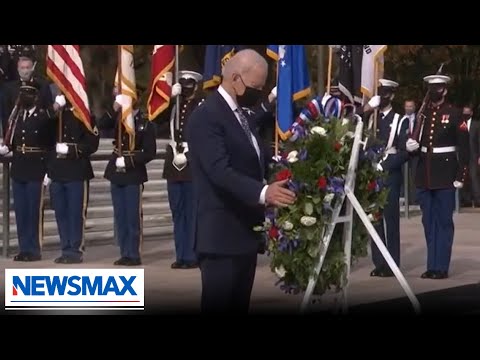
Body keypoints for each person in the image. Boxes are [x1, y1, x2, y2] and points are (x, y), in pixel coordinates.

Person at [187, 49, 296, 313]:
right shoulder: (207, 116)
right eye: (255, 86)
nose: (258, 92)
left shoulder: (242, 116)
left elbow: (258, 159)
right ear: (235, 78)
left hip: (244, 235)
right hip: (221, 238)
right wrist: (263, 193)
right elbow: (219, 170)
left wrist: (291, 167)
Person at [405, 73, 470, 279]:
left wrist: (461, 174)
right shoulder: (423, 115)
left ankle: (441, 267)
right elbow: (420, 143)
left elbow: (465, 148)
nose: (434, 92)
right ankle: (431, 265)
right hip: (425, 174)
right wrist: (412, 148)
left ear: (445, 90)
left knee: (443, 222)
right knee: (428, 221)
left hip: (445, 174)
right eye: (431, 89)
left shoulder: (454, 113)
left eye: (438, 88)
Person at [0, 79, 55, 261]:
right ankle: (24, 248)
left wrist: (49, 171)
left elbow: (49, 145)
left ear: (36, 96)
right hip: (19, 167)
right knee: (21, 211)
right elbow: (13, 141)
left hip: (36, 168)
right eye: (22, 94)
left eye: (28, 94)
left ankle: (34, 248)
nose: (24, 97)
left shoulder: (43, 117)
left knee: (33, 211)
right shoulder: (16, 118)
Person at [100, 89, 157, 266]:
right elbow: (102, 124)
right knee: (120, 215)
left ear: (135, 98)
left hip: (133, 173)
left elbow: (150, 152)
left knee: (132, 216)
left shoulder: (144, 122)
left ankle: (133, 253)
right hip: (116, 171)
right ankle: (124, 252)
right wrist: (114, 107)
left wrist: (130, 160)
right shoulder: (118, 117)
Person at [363, 79, 410, 277]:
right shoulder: (371, 118)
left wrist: (385, 164)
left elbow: (404, 152)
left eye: (383, 94)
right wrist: (366, 110)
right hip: (372, 173)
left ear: (391, 95)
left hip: (390, 174)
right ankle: (379, 262)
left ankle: (392, 263)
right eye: (378, 93)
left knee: (391, 221)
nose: (380, 98)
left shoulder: (400, 120)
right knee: (375, 219)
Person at [46, 92, 100, 264]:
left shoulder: (85, 116)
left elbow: (92, 144)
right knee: (61, 213)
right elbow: (41, 131)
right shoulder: (57, 115)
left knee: (76, 213)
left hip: (77, 170)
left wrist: (70, 150)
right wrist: (54, 109)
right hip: (57, 171)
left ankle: (75, 250)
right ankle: (65, 248)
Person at [163, 70, 205, 269]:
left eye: (189, 83)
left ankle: (192, 255)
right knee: (177, 211)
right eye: (182, 82)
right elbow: (157, 119)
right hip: (173, 164)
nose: (185, 86)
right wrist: (170, 100)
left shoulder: (200, 106)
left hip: (191, 163)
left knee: (191, 212)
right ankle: (181, 255)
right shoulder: (174, 105)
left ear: (196, 86)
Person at [1, 53, 52, 133]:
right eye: (22, 68)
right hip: (16, 135)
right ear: (18, 69)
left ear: (32, 68)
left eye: (28, 68)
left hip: (38, 134)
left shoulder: (42, 86)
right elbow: (6, 115)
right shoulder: (9, 88)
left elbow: (48, 110)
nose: (25, 71)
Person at [459, 104, 480, 207]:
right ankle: (465, 200)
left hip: (473, 155)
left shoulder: (477, 125)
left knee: (474, 177)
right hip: (462, 155)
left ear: (471, 113)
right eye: (464, 112)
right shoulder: (459, 124)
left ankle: (477, 200)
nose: (465, 114)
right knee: (463, 177)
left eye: (467, 112)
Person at [401, 99, 418, 205]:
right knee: (404, 176)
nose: (408, 108)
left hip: (416, 153)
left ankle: (415, 199)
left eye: (410, 106)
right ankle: (406, 198)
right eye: (407, 106)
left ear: (414, 107)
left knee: (415, 175)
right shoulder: (401, 120)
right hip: (404, 152)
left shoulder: (419, 119)